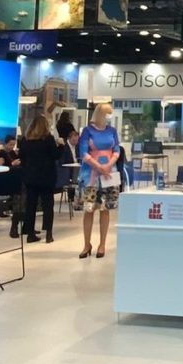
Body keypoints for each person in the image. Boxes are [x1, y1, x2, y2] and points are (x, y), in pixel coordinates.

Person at [77, 103, 121, 259]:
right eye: (107, 114)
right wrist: (98, 166)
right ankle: (86, 244)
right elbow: (83, 152)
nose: (109, 117)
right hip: (91, 175)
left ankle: (102, 244)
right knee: (89, 209)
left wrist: (108, 165)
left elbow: (117, 150)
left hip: (109, 174)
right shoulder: (87, 131)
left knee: (105, 209)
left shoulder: (112, 131)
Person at [13, 117, 57, 243]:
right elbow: (55, 156)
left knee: (30, 206)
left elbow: (21, 158)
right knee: (48, 205)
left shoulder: (25, 140)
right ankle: (48, 234)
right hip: (47, 177)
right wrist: (61, 146)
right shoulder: (48, 139)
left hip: (30, 177)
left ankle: (30, 233)